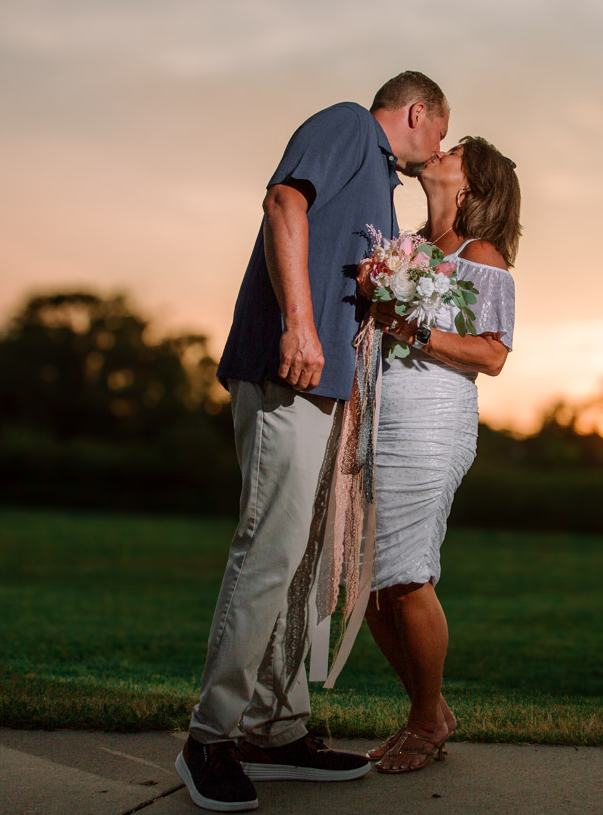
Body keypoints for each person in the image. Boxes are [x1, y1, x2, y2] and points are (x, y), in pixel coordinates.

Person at [175, 71, 450, 813]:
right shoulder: (347, 127)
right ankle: (210, 735)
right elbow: (283, 202)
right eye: (440, 133)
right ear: (417, 112)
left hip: (329, 387)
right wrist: (299, 319)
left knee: (306, 558)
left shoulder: (383, 185)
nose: (439, 149)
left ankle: (275, 726)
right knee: (270, 547)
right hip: (288, 368)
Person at [357, 136, 522, 774]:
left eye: (453, 151)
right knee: (372, 585)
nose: (439, 152)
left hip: (431, 421)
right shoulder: (408, 248)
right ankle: (432, 709)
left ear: (472, 184)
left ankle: (426, 722)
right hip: (379, 415)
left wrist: (414, 328)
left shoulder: (481, 256)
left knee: (406, 575)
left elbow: (493, 354)